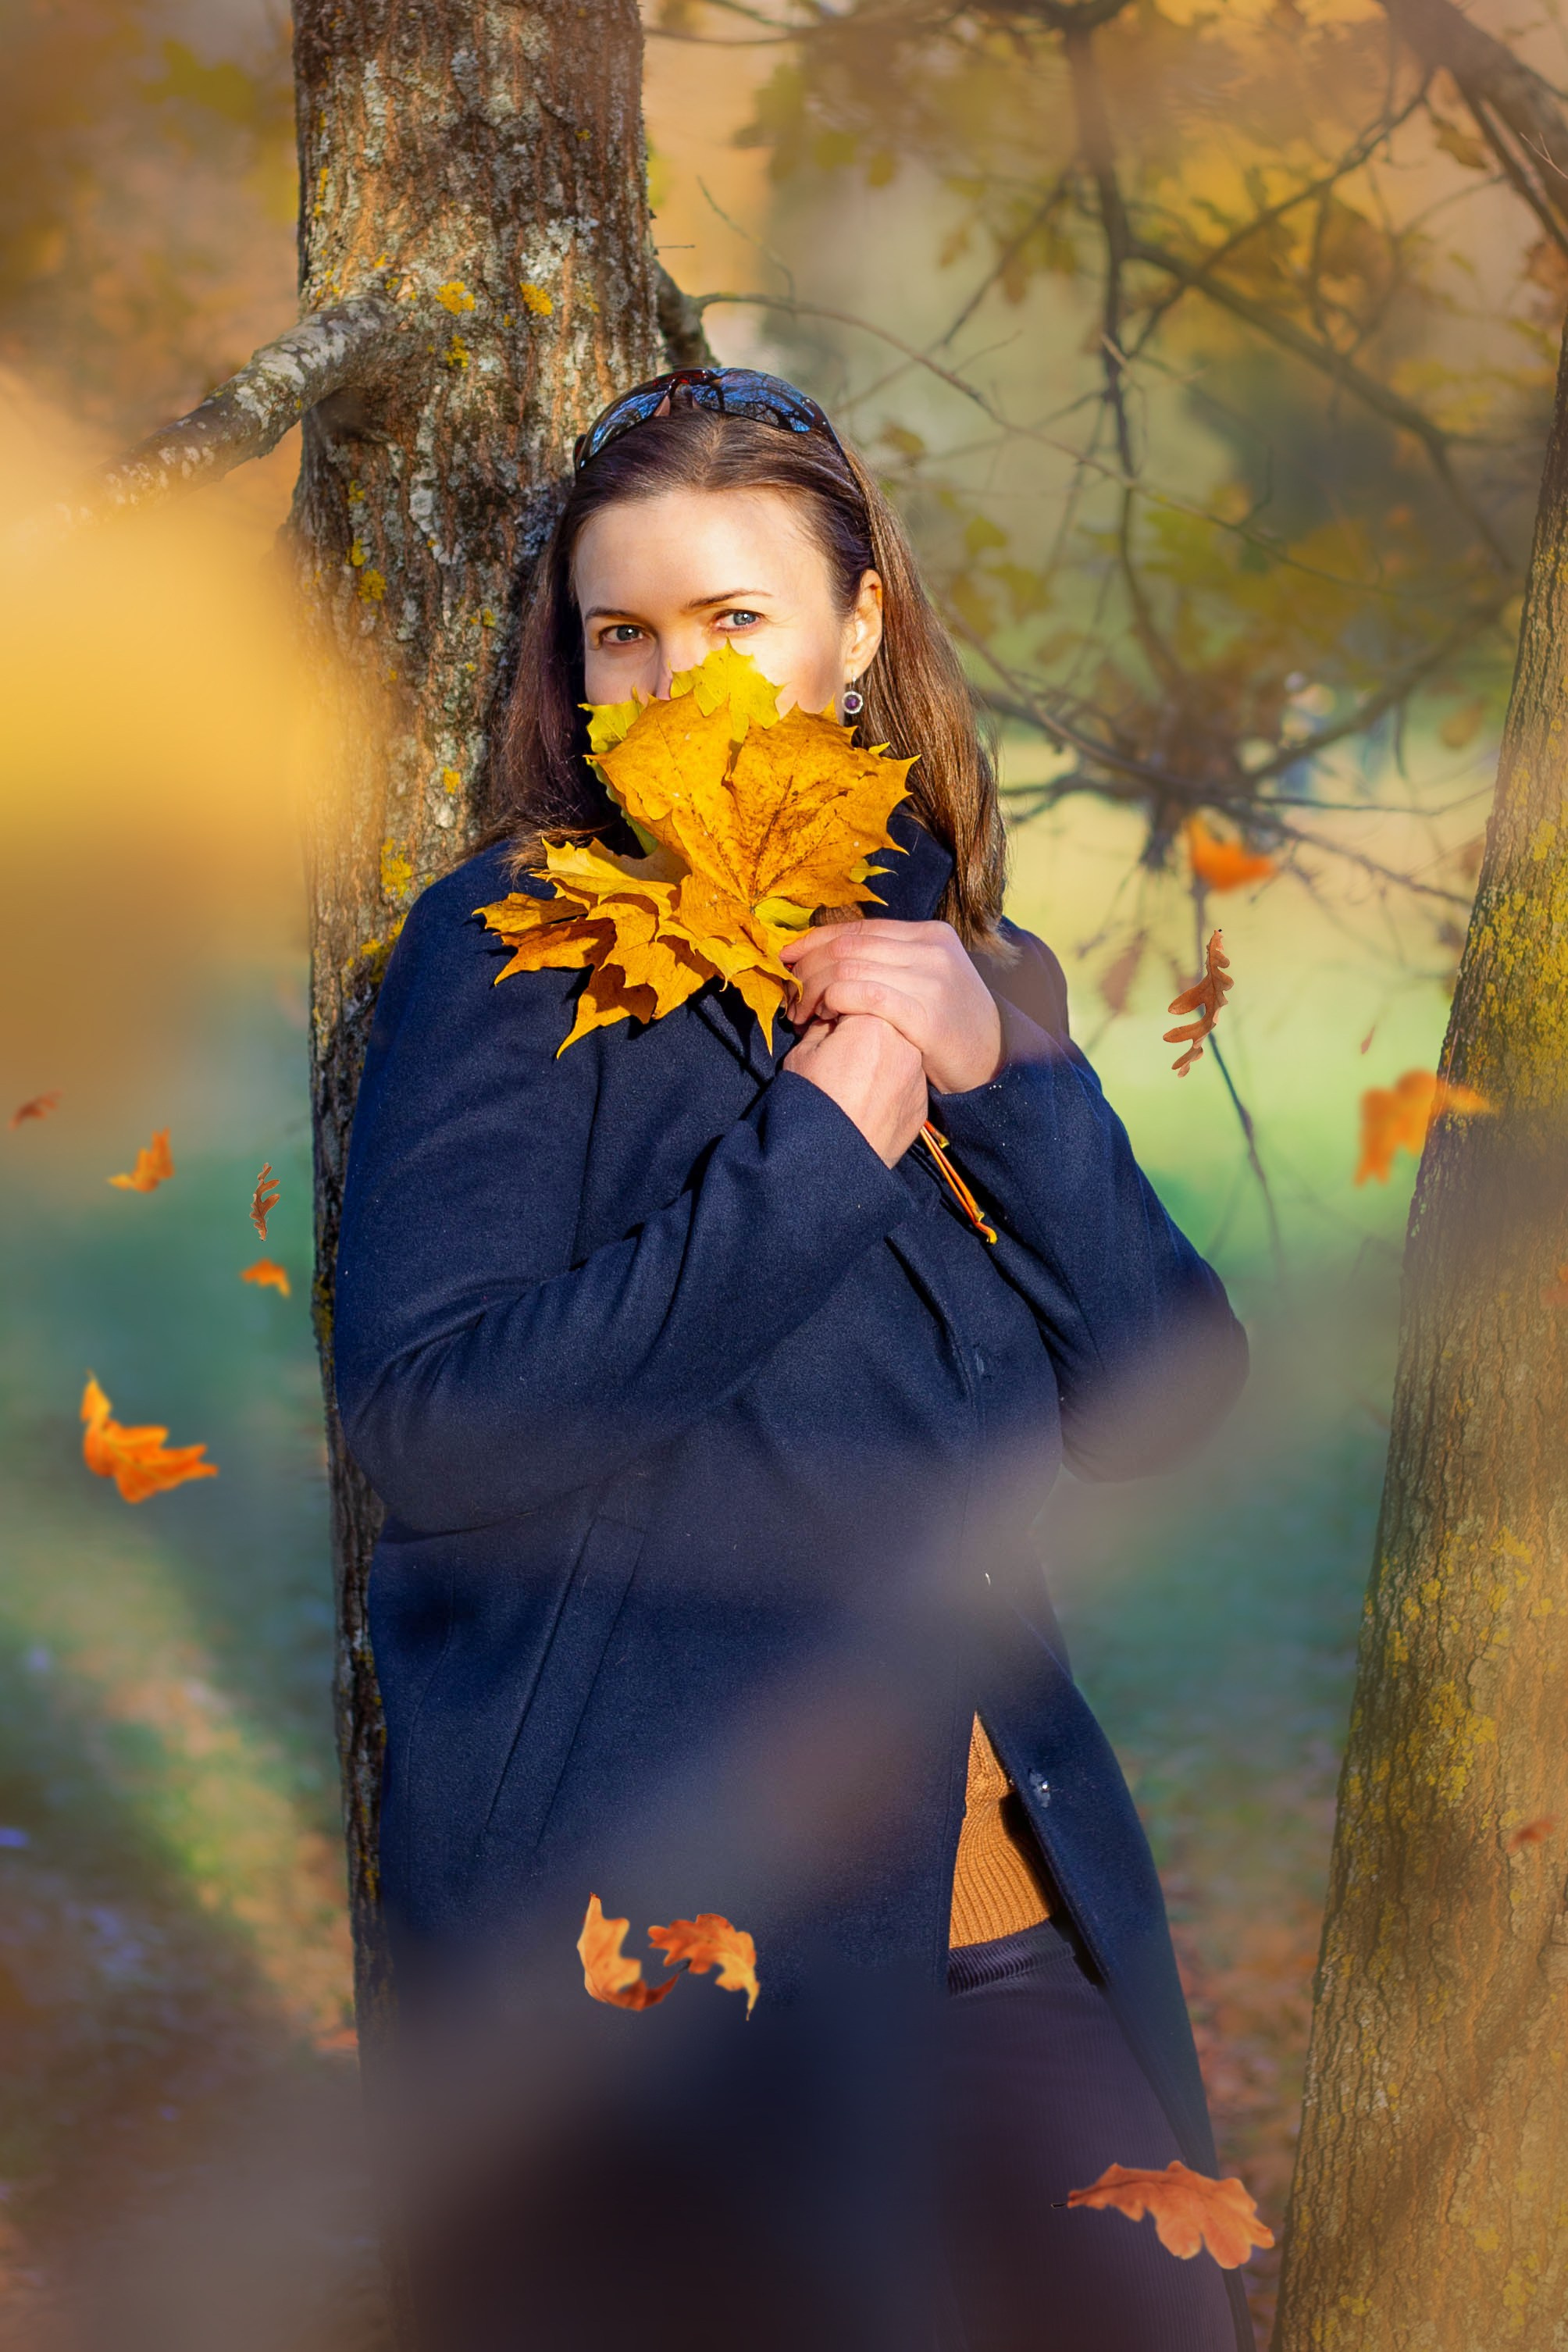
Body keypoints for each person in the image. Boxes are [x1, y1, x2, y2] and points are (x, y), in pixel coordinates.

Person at [333, 368, 1253, 2352]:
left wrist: (1001, 1074)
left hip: (996, 1916)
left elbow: (1171, 1396)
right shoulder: (509, 950)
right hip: (670, 1960)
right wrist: (821, 1147)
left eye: (735, 620)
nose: (677, 684)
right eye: (622, 634)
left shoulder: (952, 956)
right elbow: (436, 1427)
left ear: (854, 634)